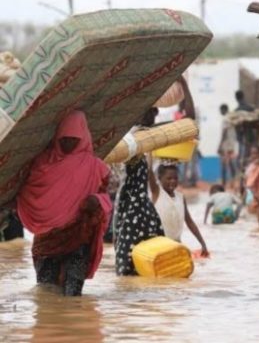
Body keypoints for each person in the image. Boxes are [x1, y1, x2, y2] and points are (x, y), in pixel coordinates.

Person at [15, 111, 112, 296]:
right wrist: (18, 202)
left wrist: (97, 200)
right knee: (46, 293)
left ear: (83, 137)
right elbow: (29, 192)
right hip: (47, 241)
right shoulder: (42, 163)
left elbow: (106, 197)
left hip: (78, 237)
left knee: (73, 295)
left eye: (74, 139)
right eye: (64, 138)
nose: (68, 143)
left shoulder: (96, 167)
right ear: (57, 136)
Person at [114, 108, 165, 276]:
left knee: (154, 243)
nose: (152, 116)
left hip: (142, 202)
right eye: (148, 112)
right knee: (127, 248)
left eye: (154, 113)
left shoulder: (147, 138)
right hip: (131, 201)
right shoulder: (131, 138)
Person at [153, 164, 209, 257]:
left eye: (175, 178)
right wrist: (150, 156)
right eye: (169, 178)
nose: (173, 181)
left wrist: (203, 244)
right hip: (160, 245)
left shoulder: (180, 197)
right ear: (159, 178)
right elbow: (149, 172)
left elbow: (190, 222)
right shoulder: (157, 193)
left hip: (176, 244)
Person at [218, 103, 237, 187]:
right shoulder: (231, 119)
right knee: (230, 164)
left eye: (221, 110)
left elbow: (224, 133)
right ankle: (233, 180)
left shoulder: (225, 119)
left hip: (225, 145)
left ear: (224, 109)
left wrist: (220, 145)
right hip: (231, 145)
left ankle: (224, 183)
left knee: (224, 165)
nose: (220, 112)